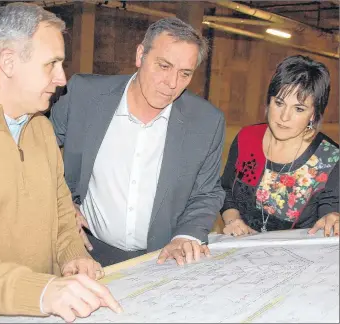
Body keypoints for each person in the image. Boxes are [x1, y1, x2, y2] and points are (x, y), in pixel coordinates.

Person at [0, 3, 122, 322]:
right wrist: (37, 291)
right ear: (8, 62)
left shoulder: (41, 129)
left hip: (44, 306)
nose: (62, 78)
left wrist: (72, 256)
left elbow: (63, 212)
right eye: (51, 64)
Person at [50, 17, 226, 267]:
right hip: (85, 250)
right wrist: (59, 202)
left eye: (184, 74)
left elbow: (207, 192)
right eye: (164, 66)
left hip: (161, 259)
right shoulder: (84, 95)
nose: (172, 84)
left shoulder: (207, 122)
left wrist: (185, 236)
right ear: (140, 55)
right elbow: (36, 148)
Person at [220, 55, 339, 237]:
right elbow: (226, 189)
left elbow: (330, 210)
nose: (284, 117)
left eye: (299, 109)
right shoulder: (247, 138)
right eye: (279, 103)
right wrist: (233, 220)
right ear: (269, 101)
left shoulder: (329, 157)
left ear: (313, 114)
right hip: (239, 254)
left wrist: (333, 218)